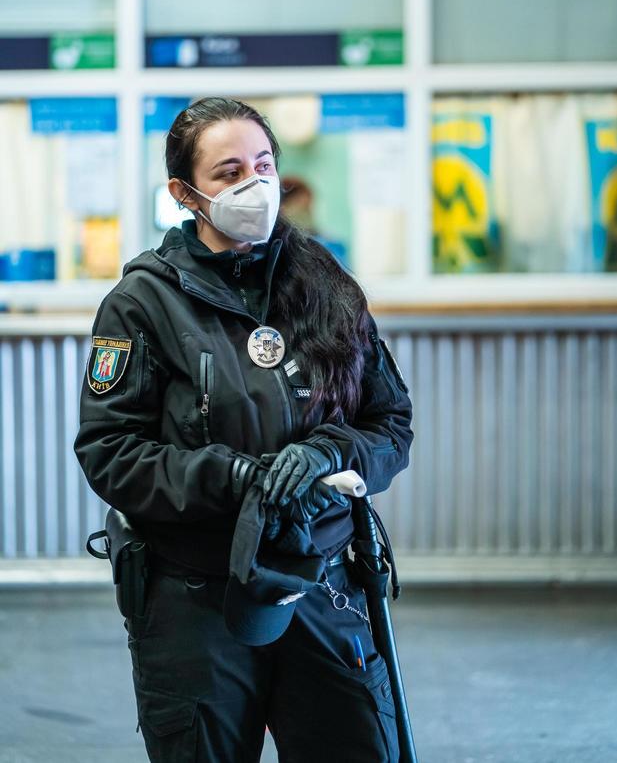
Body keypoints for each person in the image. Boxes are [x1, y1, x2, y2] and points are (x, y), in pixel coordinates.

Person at [75, 96, 414, 763]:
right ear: (185, 192)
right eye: (229, 173)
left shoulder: (327, 285)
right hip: (196, 595)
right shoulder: (141, 303)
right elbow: (109, 452)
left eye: (262, 165)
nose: (253, 186)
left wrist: (332, 450)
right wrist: (235, 477)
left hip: (322, 582)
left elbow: (390, 422)